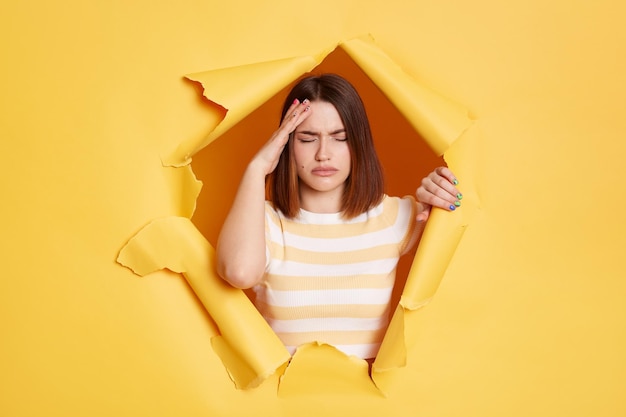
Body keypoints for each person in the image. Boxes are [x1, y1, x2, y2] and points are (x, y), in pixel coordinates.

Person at [216, 73, 462, 360]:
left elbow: (467, 274)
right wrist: (257, 168)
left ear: (358, 144)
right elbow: (238, 272)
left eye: (340, 137)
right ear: (286, 145)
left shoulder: (395, 217)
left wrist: (442, 189)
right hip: (279, 399)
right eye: (307, 139)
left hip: (369, 400)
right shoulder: (265, 223)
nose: (323, 154)